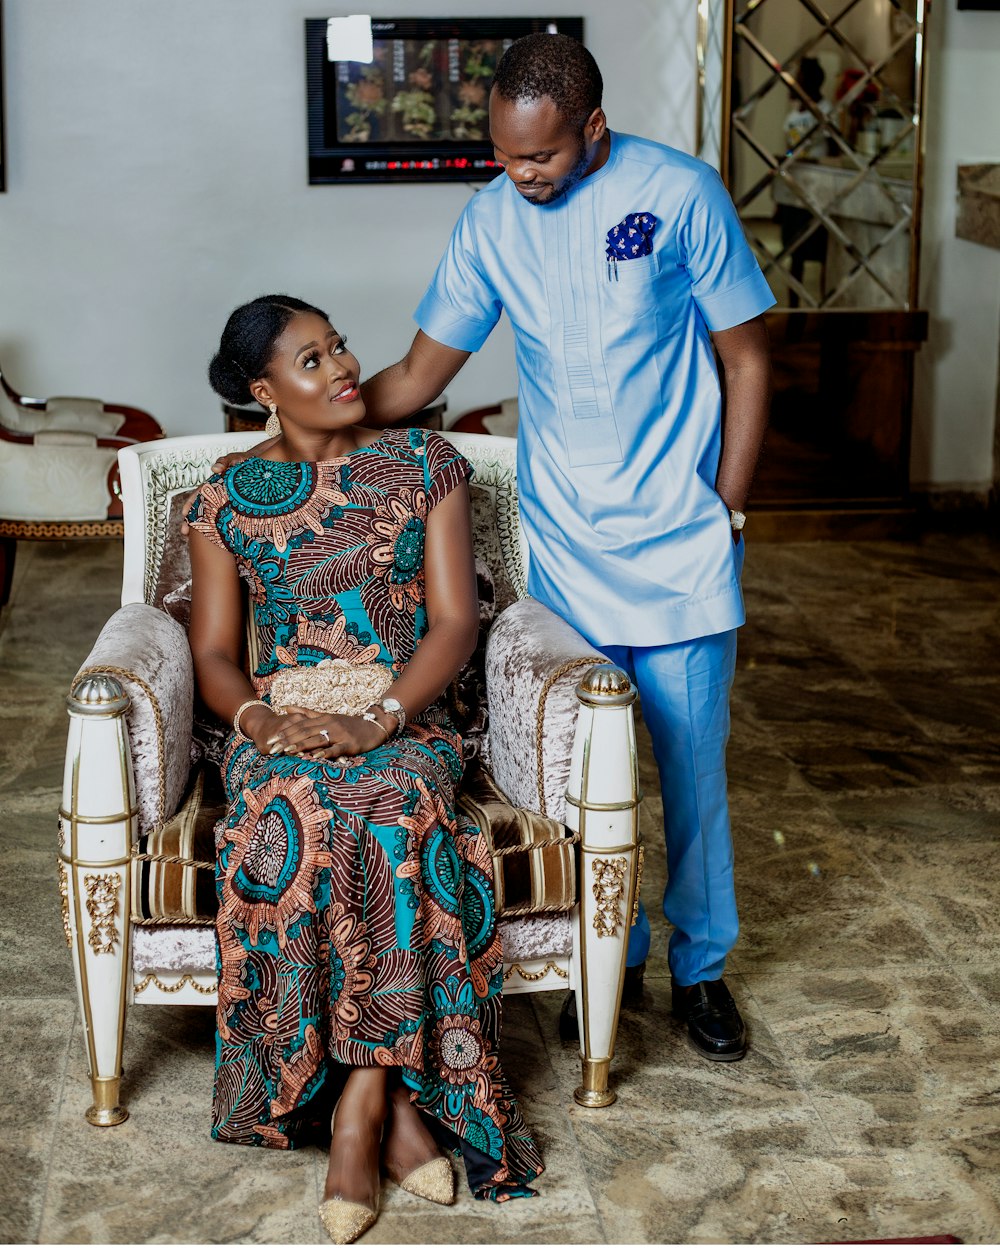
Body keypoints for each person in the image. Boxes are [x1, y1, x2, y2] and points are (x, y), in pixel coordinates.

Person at [207, 32, 774, 1064]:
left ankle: (701, 965)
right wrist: (309, 426)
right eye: (505, 155)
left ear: (591, 127)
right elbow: (421, 372)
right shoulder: (489, 221)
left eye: (540, 157)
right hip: (567, 545)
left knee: (692, 771)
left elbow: (745, 354)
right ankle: (616, 949)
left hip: (681, 539)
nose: (519, 174)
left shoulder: (682, 193)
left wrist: (725, 507)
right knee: (581, 778)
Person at [187, 294, 542, 1245]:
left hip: (409, 710)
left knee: (386, 806)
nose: (343, 367)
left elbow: (457, 622)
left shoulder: (426, 465)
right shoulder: (222, 500)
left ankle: (356, 1114)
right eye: (311, 361)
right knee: (297, 814)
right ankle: (394, 1114)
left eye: (339, 345)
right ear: (264, 391)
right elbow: (216, 655)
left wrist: (381, 716)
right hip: (282, 723)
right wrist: (263, 719)